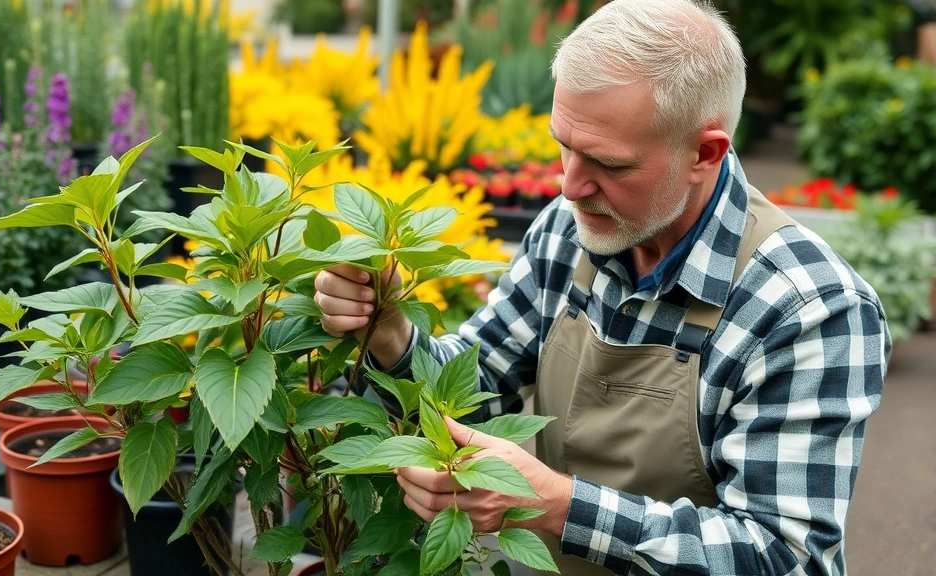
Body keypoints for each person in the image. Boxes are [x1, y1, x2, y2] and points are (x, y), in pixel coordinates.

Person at [314, 0, 889, 573]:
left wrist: (557, 507)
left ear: (705, 153)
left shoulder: (809, 308)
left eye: (608, 164)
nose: (569, 186)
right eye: (563, 144)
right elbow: (479, 389)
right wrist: (389, 334)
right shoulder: (570, 233)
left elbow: (784, 556)